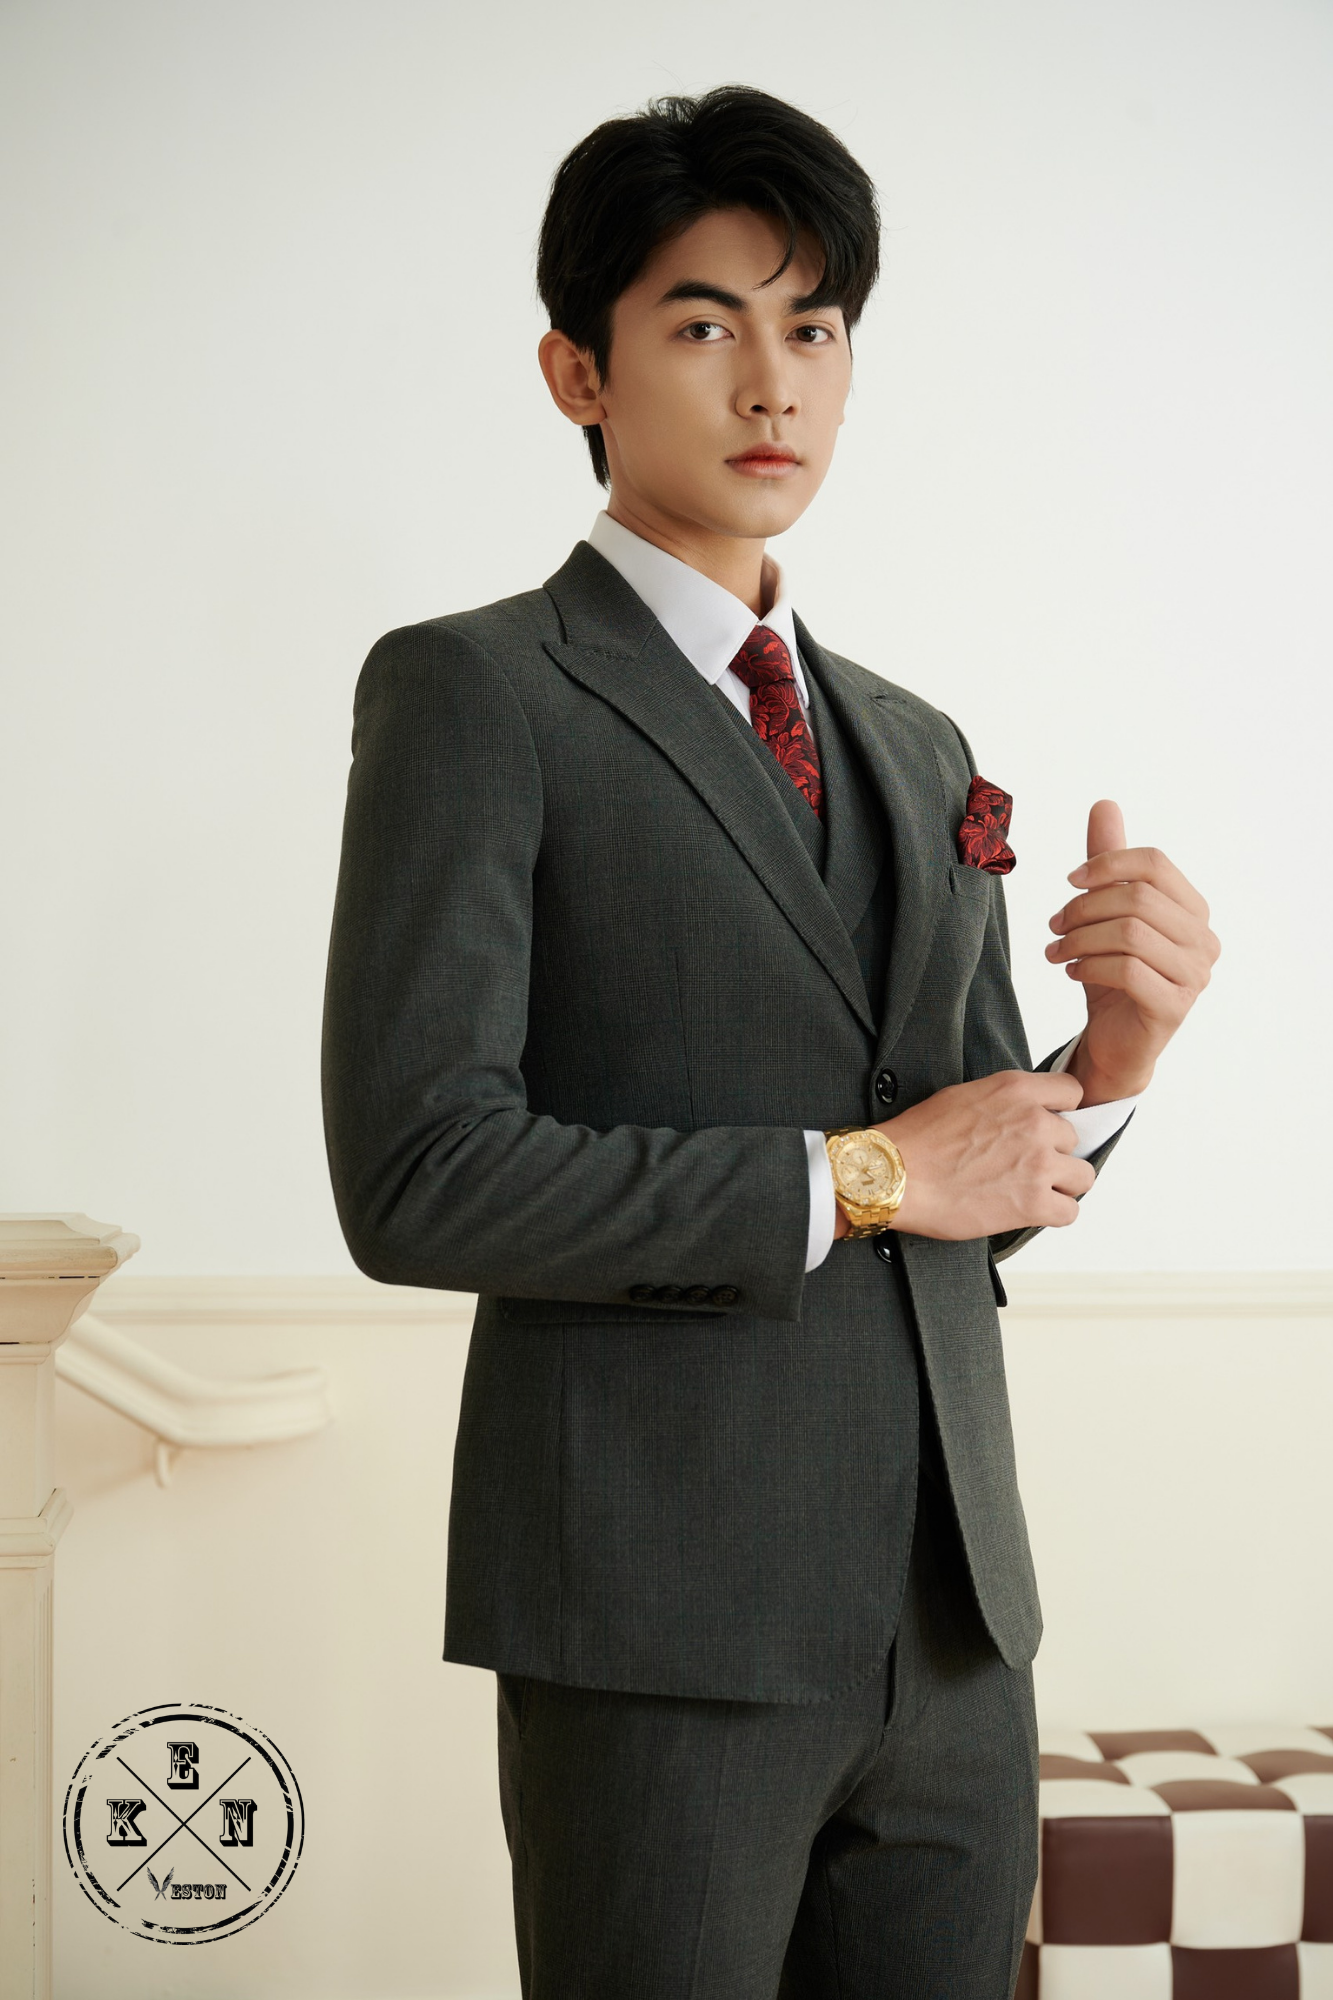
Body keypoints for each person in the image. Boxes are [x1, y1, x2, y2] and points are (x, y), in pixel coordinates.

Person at [322, 85, 1218, 2000]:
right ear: (579, 370)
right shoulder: (478, 692)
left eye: (814, 329)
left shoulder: (912, 737)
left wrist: (1118, 1056)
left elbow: (979, 1174)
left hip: (955, 1627)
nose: (772, 384)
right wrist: (868, 1175)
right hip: (657, 1628)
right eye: (704, 323)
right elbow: (418, 1175)